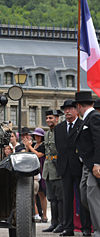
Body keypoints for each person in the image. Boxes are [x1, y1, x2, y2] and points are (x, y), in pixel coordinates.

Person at [55, 99, 91, 236]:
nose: (67, 111)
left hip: (79, 165)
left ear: (77, 110)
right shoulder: (59, 128)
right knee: (67, 198)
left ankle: (85, 228)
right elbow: (60, 147)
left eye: (70, 109)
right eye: (65, 109)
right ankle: (68, 227)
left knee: (82, 198)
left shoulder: (83, 125)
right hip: (65, 167)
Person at [74, 91, 100, 237]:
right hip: (86, 166)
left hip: (93, 165)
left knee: (92, 197)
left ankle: (98, 232)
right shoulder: (88, 117)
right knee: (84, 197)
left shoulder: (94, 116)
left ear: (78, 106)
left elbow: (98, 141)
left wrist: (97, 163)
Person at [42, 109, 64, 234]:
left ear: (57, 119)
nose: (48, 120)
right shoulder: (47, 134)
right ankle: (53, 222)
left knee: (60, 198)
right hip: (48, 169)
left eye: (51, 118)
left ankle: (62, 223)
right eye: (47, 118)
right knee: (51, 198)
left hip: (58, 168)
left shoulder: (61, 132)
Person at [24, 127, 47, 223]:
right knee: (33, 193)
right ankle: (36, 214)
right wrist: (27, 147)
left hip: (41, 169)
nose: (37, 137)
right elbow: (27, 155)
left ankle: (44, 216)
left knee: (42, 193)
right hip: (32, 169)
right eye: (36, 135)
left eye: (39, 136)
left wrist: (29, 147)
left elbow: (38, 155)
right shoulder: (33, 144)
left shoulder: (43, 145)